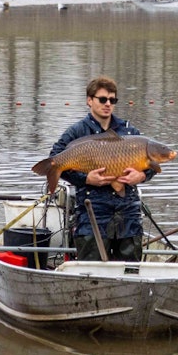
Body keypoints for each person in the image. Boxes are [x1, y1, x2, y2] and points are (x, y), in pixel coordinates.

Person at [50, 76, 155, 262]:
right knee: (92, 272)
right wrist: (85, 179)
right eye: (102, 99)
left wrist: (141, 176)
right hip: (92, 213)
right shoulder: (77, 132)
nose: (108, 104)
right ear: (89, 100)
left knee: (130, 271)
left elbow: (153, 162)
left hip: (128, 213)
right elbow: (54, 160)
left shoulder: (129, 132)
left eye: (112, 100)